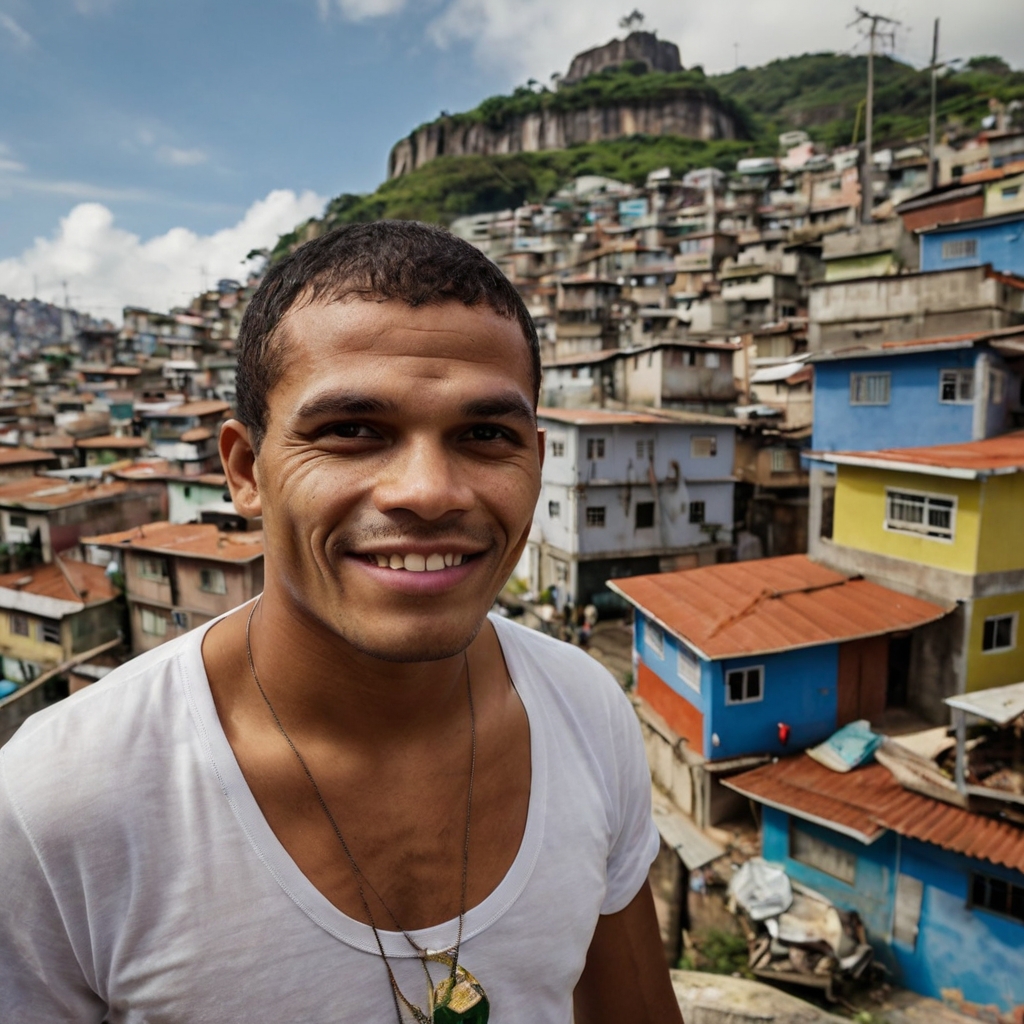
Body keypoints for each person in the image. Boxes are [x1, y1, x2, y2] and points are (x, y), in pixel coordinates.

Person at [0, 222, 683, 1024]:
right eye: (353, 432)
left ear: (536, 460)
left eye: (485, 436)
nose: (428, 491)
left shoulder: (584, 709)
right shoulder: (57, 805)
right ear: (246, 471)